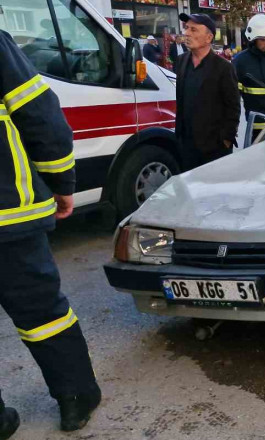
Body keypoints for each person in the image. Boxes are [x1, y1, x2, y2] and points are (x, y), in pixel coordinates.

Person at [0, 30, 102, 437]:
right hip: (9, 214)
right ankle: (76, 396)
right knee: (42, 312)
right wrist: (62, 183)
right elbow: (39, 113)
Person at [175, 13, 240, 170]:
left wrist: (226, 140)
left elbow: (233, 107)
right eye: (186, 28)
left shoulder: (224, 68)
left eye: (194, 30)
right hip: (186, 147)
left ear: (209, 38)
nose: (187, 33)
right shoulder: (182, 61)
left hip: (214, 149)